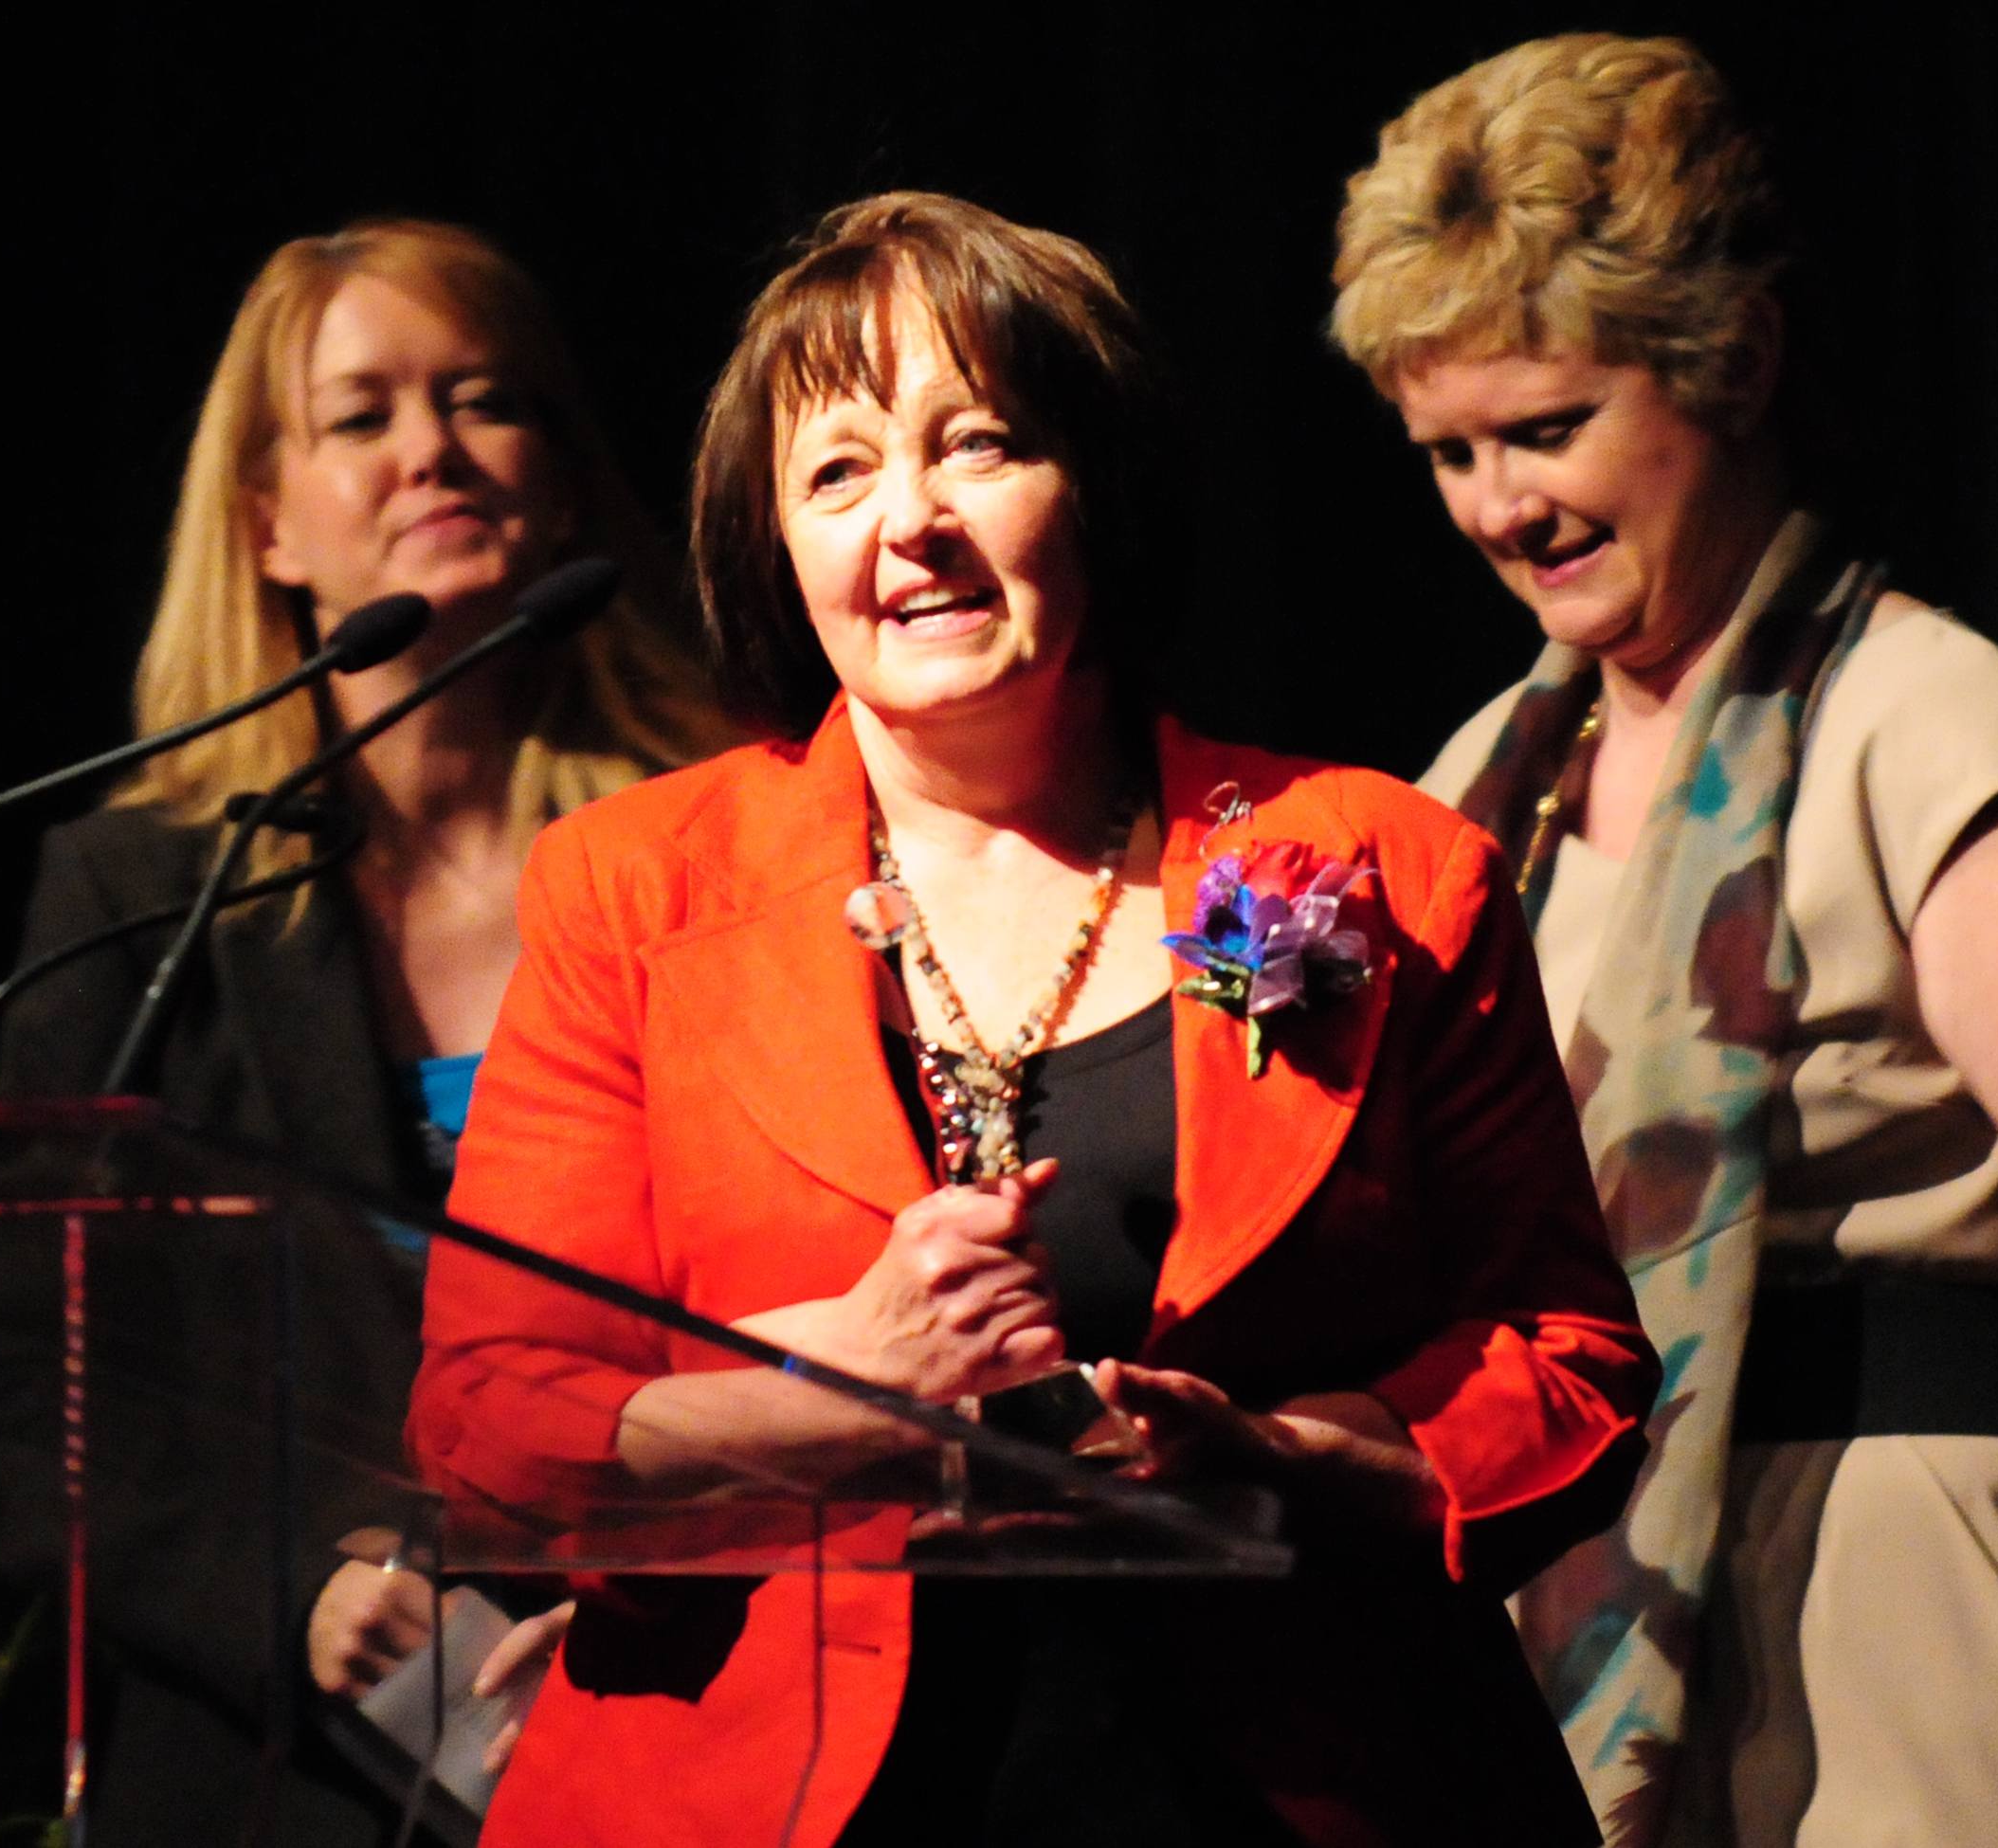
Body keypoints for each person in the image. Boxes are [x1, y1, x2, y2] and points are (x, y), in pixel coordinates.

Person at [410, 190, 1662, 1847]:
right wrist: (832, 1386)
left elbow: (1566, 1366)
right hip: (765, 1793)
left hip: (1292, 1786)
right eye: (838, 469)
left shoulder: (1377, 868)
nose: (908, 521)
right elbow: (490, 1419)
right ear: (775, 544)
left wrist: (1282, 1454)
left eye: (977, 444)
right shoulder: (635, 894)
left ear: (1101, 486)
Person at [1329, 33, 1998, 1847]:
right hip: (1565, 1631)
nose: (1497, 504)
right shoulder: (1489, 778)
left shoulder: (1915, 722)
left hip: (1900, 1604)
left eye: (1548, 428)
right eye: (1449, 450)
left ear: (1736, 362)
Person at [0, 217, 738, 1844]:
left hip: (676, 1701)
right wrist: (288, 1590)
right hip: (265, 1772)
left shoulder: (715, 852)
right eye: (361, 416)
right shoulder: (142, 890)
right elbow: (10, 1391)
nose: (432, 449)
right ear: (269, 526)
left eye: (485, 399)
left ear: (566, 477)